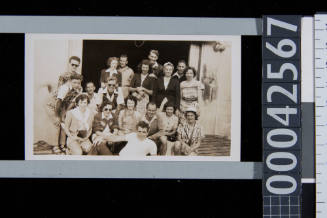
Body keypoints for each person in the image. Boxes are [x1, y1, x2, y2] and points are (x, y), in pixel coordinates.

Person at [54, 73, 83, 153]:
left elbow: (72, 103)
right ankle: (56, 146)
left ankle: (62, 145)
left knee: (64, 124)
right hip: (54, 105)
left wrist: (65, 115)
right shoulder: (65, 88)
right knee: (58, 124)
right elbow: (58, 102)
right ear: (70, 81)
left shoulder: (78, 89)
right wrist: (57, 116)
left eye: (78, 83)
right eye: (74, 82)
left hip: (64, 106)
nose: (77, 84)